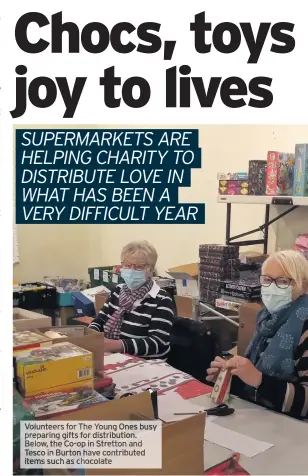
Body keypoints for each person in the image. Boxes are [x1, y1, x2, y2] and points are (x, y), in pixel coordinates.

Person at [207, 250, 308, 420]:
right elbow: (253, 382)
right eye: (267, 280)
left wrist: (259, 380)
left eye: (283, 281)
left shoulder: (303, 325)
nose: (272, 288)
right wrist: (229, 376)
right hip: (258, 416)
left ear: (303, 286)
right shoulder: (268, 319)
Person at [89, 240, 174, 359]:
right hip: (113, 356)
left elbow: (157, 343)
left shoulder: (162, 300)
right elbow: (99, 320)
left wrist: (115, 345)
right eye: (128, 266)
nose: (132, 270)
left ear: (150, 269)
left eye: (139, 267)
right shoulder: (117, 292)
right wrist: (91, 336)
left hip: (147, 365)